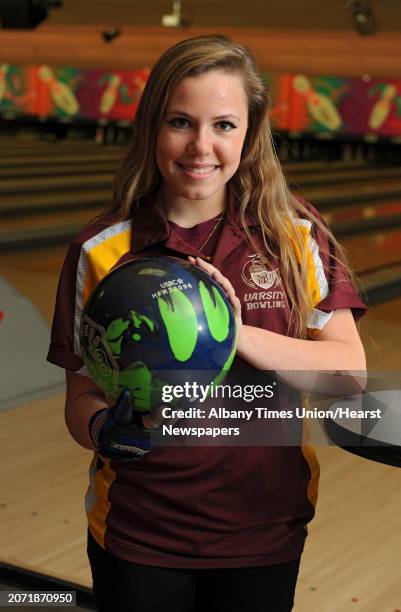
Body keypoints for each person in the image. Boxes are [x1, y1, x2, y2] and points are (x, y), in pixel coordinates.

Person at [47, 35, 367, 612]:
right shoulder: (101, 248)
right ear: (152, 127)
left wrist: (233, 332)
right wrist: (102, 430)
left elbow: (349, 376)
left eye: (224, 124)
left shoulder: (294, 236)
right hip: (139, 532)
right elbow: (81, 395)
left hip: (264, 532)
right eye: (180, 122)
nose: (201, 145)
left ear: (251, 131)